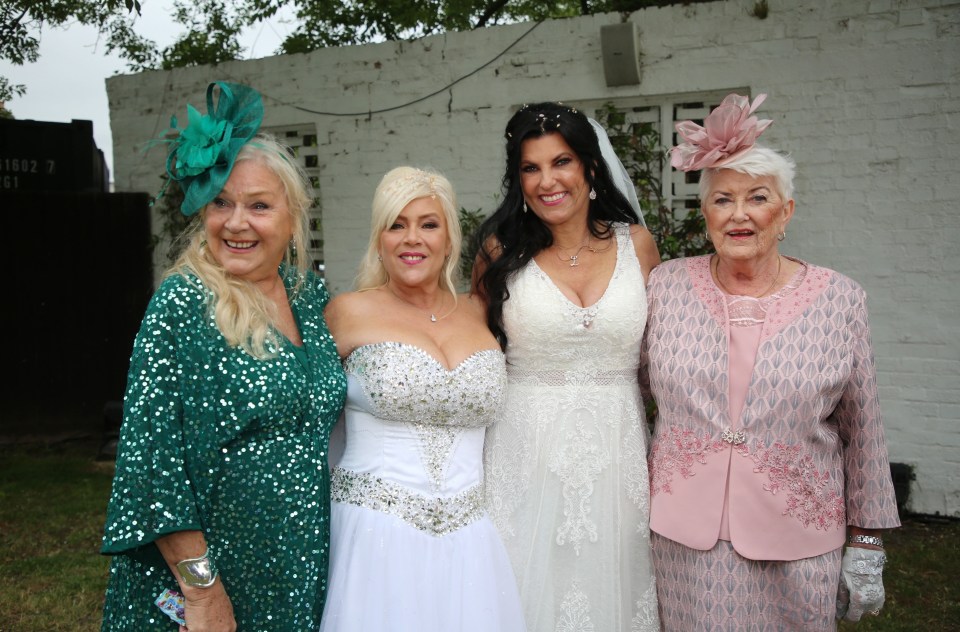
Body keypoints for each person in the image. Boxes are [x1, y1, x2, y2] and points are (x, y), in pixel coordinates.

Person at [640, 92, 900, 630]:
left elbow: (864, 427)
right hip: (682, 537)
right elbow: (628, 387)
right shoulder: (665, 286)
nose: (739, 215)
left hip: (798, 539)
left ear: (785, 213)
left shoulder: (839, 298)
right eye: (722, 200)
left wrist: (868, 539)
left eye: (757, 198)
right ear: (704, 213)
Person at [100, 81, 347, 632]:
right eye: (221, 203)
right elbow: (152, 464)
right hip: (213, 577)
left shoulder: (309, 298)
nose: (236, 223)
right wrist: (203, 592)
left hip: (300, 563)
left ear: (293, 214)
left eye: (258, 205)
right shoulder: (184, 303)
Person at [473, 102, 662, 631]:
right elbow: (471, 351)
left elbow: (666, 360)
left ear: (590, 168)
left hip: (618, 457)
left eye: (561, 163)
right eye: (530, 168)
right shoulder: (498, 251)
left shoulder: (638, 246)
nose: (546, 181)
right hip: (521, 456)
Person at [319, 166, 526, 631]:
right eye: (397, 224)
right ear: (379, 238)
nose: (412, 239)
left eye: (428, 224)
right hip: (374, 536)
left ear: (450, 239)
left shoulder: (481, 311)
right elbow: (308, 417)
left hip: (471, 542)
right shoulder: (346, 312)